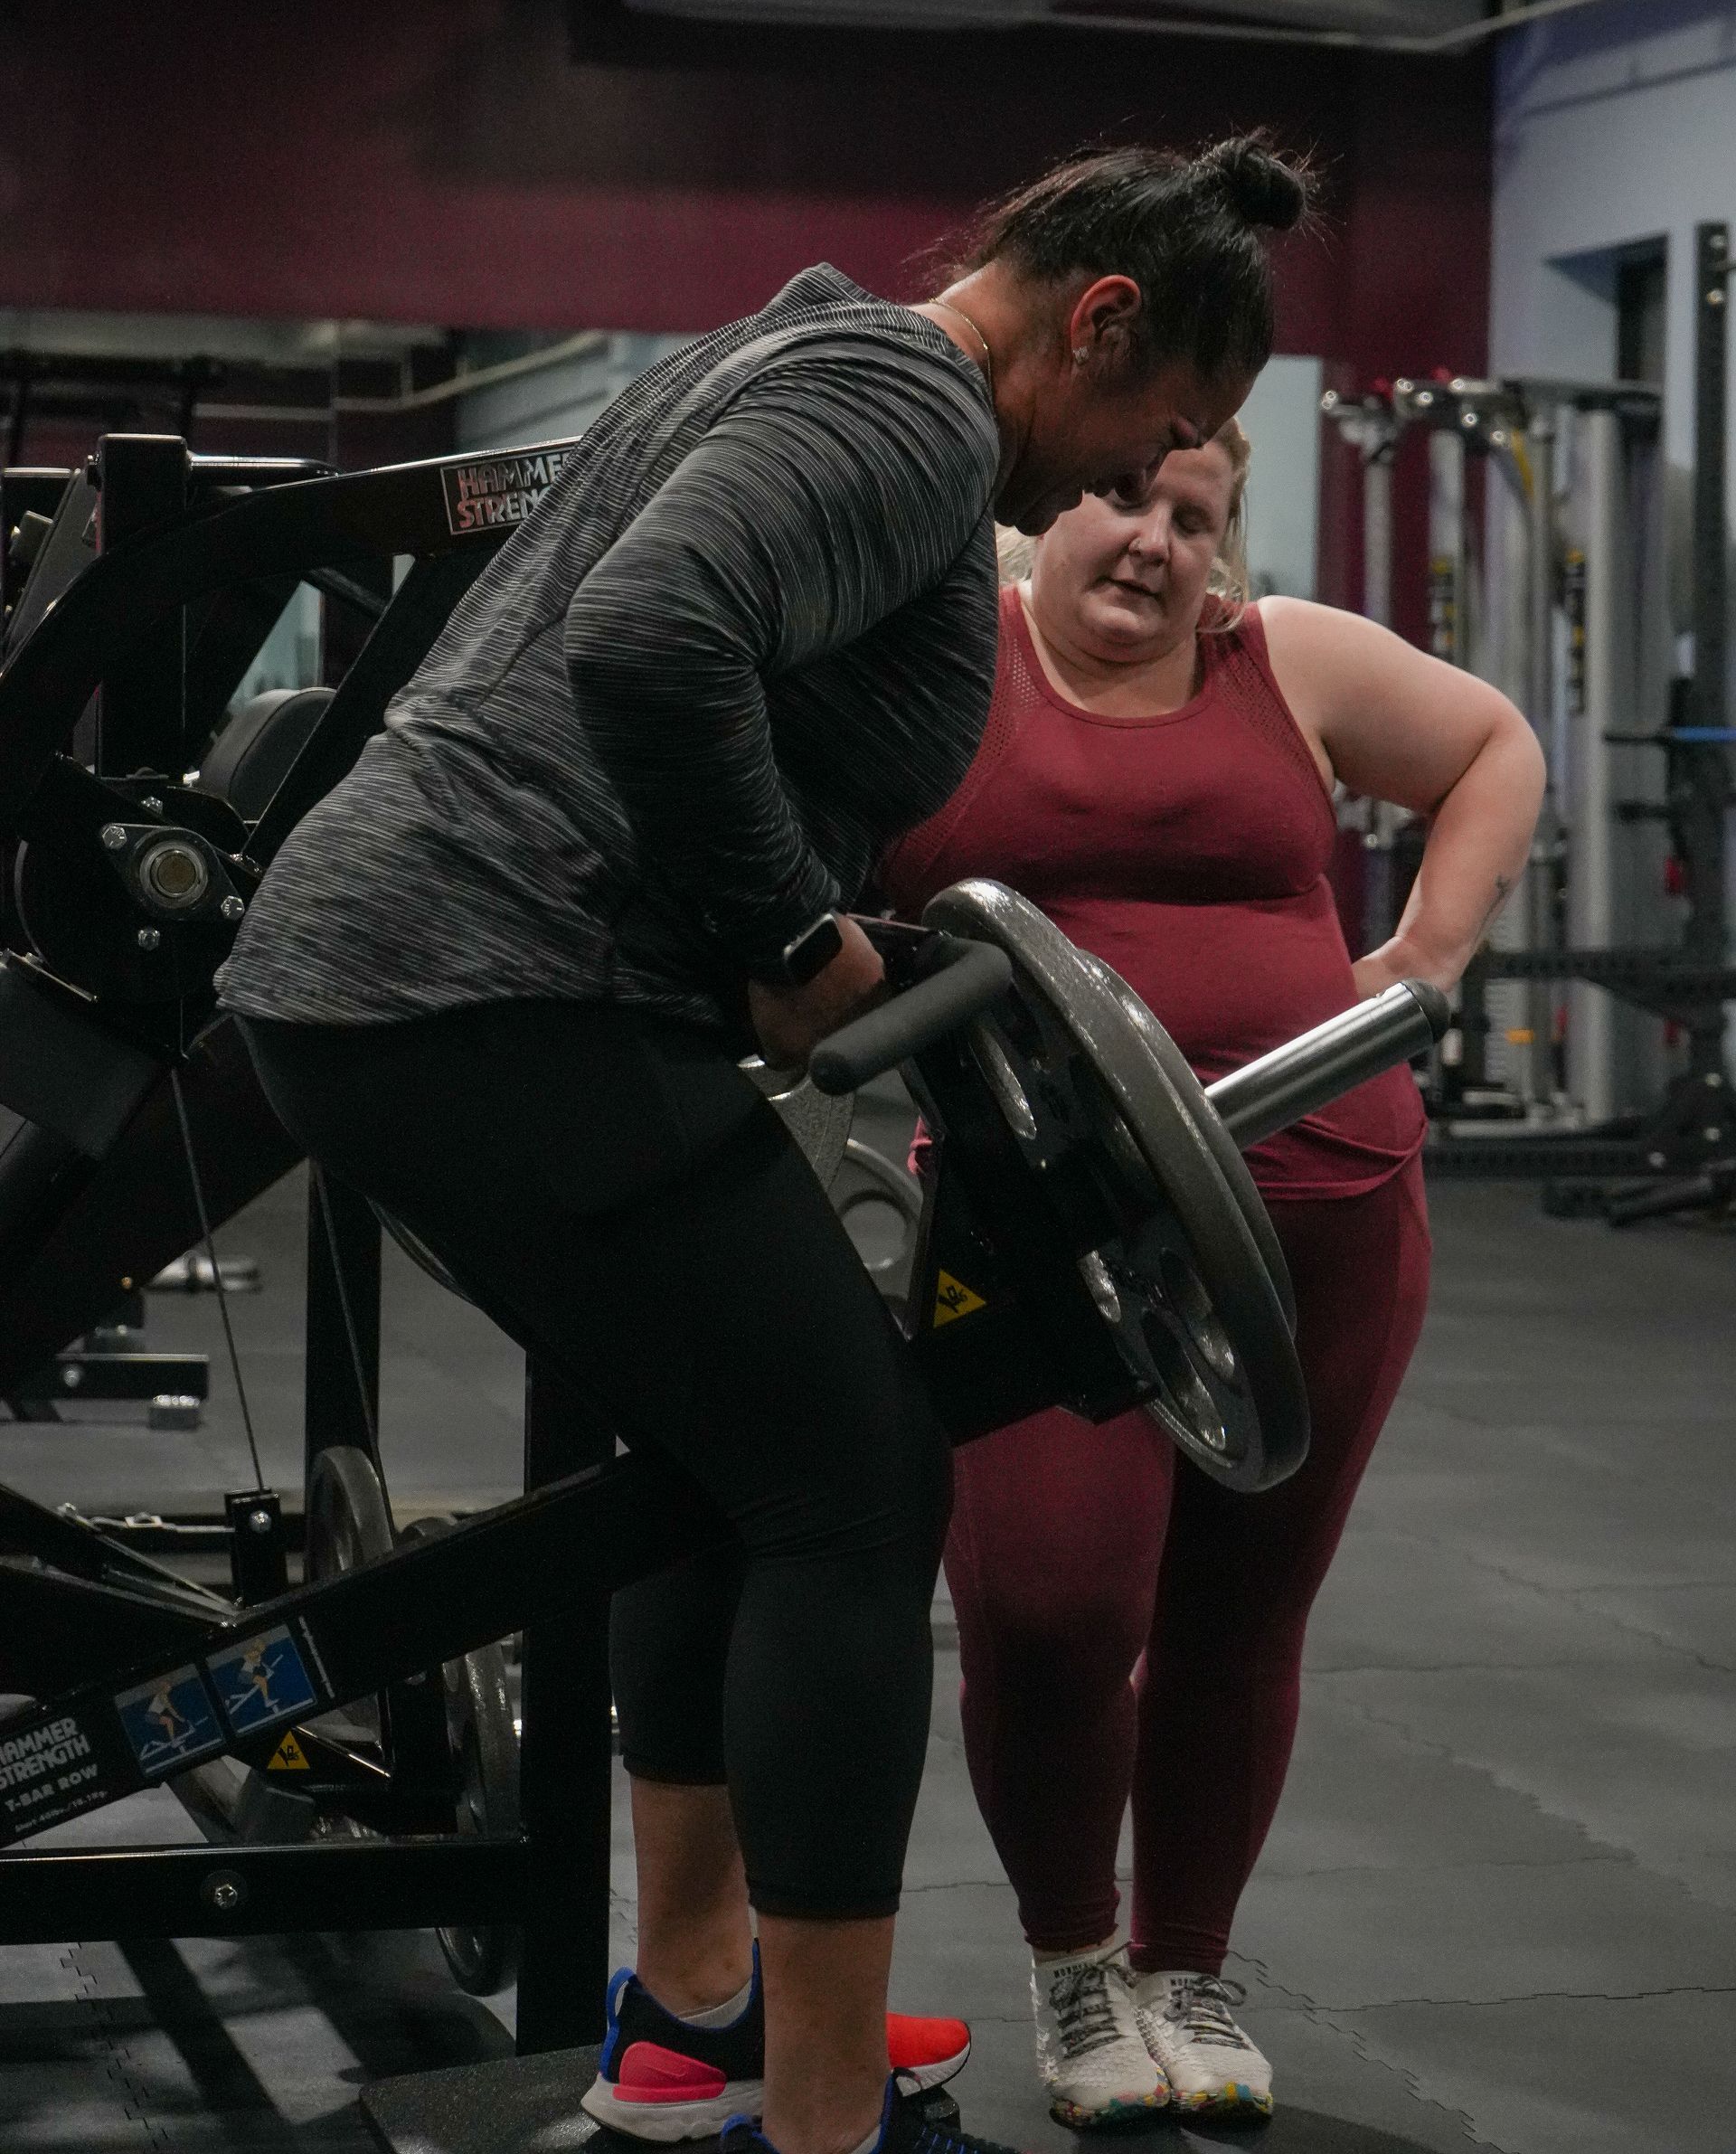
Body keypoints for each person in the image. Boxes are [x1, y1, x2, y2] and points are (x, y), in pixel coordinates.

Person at [215, 137, 1299, 2154]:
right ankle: (812, 2119)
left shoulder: (800, 353)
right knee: (856, 1488)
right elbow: (648, 639)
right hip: (487, 996)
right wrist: (785, 941)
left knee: (726, 1471)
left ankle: (696, 2028)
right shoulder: (902, 411)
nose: (1125, 490)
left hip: (423, 986)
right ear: (1100, 319)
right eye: (1158, 435)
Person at [880, 412, 1546, 2127]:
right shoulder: (951, 667)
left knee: (1243, 1617)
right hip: (1046, 1234)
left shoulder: (1287, 658)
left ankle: (1186, 1967)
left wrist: (1427, 955)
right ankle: (1075, 1970)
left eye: (1196, 513)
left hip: (1320, 1209)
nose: (1154, 541)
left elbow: (1493, 747)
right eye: (1121, 494)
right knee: (1047, 1608)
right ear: (1049, 507)